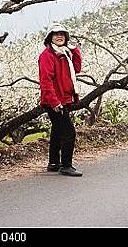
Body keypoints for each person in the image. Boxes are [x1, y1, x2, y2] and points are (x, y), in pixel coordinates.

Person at [38, 22, 83, 177]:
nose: (59, 36)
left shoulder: (65, 54)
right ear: (50, 37)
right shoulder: (47, 55)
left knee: (57, 130)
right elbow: (46, 80)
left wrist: (74, 49)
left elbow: (77, 68)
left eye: (62, 34)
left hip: (64, 99)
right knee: (69, 132)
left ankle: (53, 163)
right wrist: (54, 101)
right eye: (56, 34)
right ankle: (66, 165)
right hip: (55, 101)